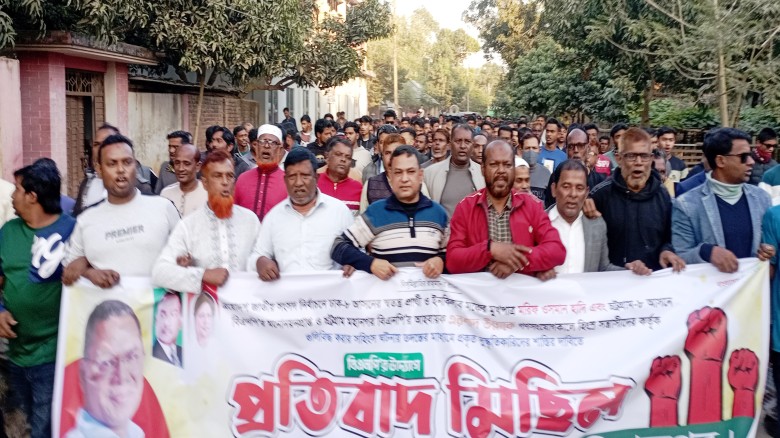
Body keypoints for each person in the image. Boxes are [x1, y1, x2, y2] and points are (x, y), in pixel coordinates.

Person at [0, 159, 76, 438]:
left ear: (32, 197)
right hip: (14, 355)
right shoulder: (8, 232)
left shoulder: (73, 231)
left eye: (18, 189)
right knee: (17, 427)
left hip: (53, 355)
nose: (12, 194)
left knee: (46, 429)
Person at [63, 134, 180, 288]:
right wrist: (89, 273)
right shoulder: (86, 220)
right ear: (99, 169)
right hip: (107, 310)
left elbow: (187, 257)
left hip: (159, 309)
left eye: (127, 162)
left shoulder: (163, 208)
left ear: (135, 165)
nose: (121, 170)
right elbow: (70, 270)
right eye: (112, 164)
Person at [446, 140, 566, 278]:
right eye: (494, 164)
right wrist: (490, 249)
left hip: (520, 297)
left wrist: (515, 260)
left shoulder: (531, 206)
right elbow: (453, 260)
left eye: (507, 165)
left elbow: (557, 250)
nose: (501, 171)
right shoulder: (466, 207)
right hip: (478, 298)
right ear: (483, 169)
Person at [332, 146, 449, 280]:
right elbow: (338, 247)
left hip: (426, 298)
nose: (404, 179)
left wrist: (441, 261)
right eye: (398, 172)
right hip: (386, 299)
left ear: (420, 175)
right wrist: (371, 264)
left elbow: (451, 256)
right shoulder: (376, 212)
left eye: (410, 172)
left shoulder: (438, 213)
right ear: (391, 177)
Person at [153, 150, 260, 294]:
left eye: (230, 176)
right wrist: (202, 274)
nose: (225, 182)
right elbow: (160, 273)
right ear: (205, 183)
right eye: (217, 176)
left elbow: (259, 259)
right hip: (205, 311)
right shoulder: (188, 226)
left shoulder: (250, 220)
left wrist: (262, 262)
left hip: (244, 310)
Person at [672, 128, 773, 272]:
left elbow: (768, 246)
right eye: (743, 156)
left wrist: (767, 251)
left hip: (753, 291)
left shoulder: (762, 199)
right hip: (712, 292)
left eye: (750, 155)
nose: (751, 161)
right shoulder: (686, 205)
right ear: (720, 160)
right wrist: (707, 252)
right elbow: (680, 256)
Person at [589, 127, 685, 272]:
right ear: (619, 159)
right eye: (631, 156)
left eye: (644, 156)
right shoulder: (600, 195)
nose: (638, 162)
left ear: (651, 159)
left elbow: (670, 237)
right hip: (612, 284)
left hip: (652, 284)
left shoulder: (662, 195)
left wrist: (667, 250)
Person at [249, 148, 354, 280]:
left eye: (305, 176)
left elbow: (357, 251)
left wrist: (352, 263)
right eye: (292, 177)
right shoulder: (274, 217)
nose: (298, 183)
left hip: (331, 297)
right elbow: (257, 255)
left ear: (316, 177)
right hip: (287, 298)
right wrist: (260, 262)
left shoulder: (339, 212)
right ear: (285, 179)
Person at [536, 160, 650, 280]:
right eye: (566, 186)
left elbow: (603, 269)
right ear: (554, 189)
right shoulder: (537, 223)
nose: (573, 194)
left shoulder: (596, 224)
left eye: (579, 188)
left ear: (586, 193)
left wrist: (629, 271)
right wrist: (536, 272)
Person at [66, 300, 145, 438]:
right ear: (83, 374)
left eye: (132, 356)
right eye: (107, 362)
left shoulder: (137, 434)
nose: (121, 376)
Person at [73, 124, 155, 216]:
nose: (100, 148)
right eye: (96, 144)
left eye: (106, 143)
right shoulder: (87, 182)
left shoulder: (140, 186)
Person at [424, 124, 485, 217]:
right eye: (458, 141)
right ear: (450, 144)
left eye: (467, 141)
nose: (462, 146)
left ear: (472, 145)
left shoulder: (483, 174)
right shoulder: (430, 173)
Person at [234, 124, 287, 222]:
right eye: (262, 141)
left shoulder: (288, 182)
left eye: (273, 142)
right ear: (256, 146)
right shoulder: (242, 179)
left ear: (280, 149)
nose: (266, 146)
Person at [543, 128, 605, 208]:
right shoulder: (556, 177)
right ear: (566, 149)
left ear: (588, 148)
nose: (576, 150)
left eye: (580, 146)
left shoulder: (600, 182)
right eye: (571, 146)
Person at [317, 137, 363, 214]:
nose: (343, 159)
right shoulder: (313, 184)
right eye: (338, 154)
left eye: (348, 157)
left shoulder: (358, 189)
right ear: (327, 157)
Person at [160, 143, 207, 217]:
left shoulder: (208, 195)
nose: (181, 168)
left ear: (197, 166)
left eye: (187, 163)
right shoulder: (166, 193)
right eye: (177, 163)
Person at [361, 133, 405, 210]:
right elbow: (364, 217)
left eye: (396, 152)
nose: (391, 158)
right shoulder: (370, 184)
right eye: (388, 153)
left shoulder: (416, 185)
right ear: (382, 156)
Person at [518, 132, 552, 203]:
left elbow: (549, 203)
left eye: (534, 148)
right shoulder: (514, 172)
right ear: (521, 150)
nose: (531, 151)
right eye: (527, 148)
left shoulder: (546, 173)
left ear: (539, 150)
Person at [151, 292, 182, 367]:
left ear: (181, 322)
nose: (166, 323)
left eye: (173, 314)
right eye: (162, 315)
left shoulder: (184, 354)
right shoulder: (151, 354)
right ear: (156, 319)